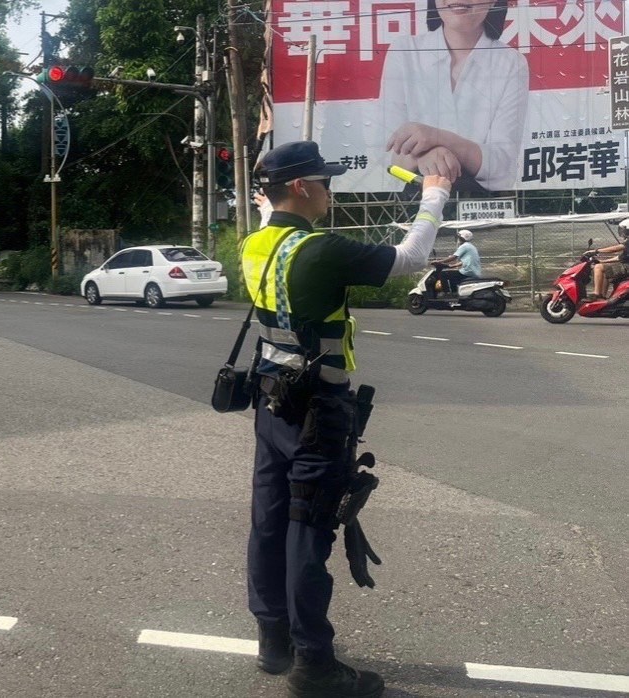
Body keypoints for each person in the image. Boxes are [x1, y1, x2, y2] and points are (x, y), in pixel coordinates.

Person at [242, 141, 450, 697]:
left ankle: (273, 641)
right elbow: (408, 261)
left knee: (269, 519)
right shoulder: (321, 250)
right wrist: (434, 197)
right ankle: (313, 664)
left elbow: (270, 210)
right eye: (326, 182)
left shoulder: (256, 244)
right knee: (308, 531)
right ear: (304, 188)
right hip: (319, 412)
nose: (332, 191)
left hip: (271, 404)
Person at [380, 0, 528, 193]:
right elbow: (388, 153)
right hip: (415, 203)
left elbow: (502, 167)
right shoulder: (405, 50)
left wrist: (436, 138)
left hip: (481, 207)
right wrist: (426, 156)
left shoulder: (511, 62)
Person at [425, 229, 480, 297]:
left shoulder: (465, 246)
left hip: (468, 271)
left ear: (462, 238)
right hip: (473, 271)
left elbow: (454, 257)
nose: (457, 239)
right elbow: (465, 261)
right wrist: (452, 266)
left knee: (443, 274)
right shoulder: (470, 246)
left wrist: (439, 261)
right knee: (453, 275)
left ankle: (446, 293)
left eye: (459, 237)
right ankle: (454, 293)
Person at [586, 220, 629, 300]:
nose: (622, 233)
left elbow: (616, 248)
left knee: (599, 268)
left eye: (624, 230)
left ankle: (597, 294)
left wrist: (596, 251)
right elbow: (620, 258)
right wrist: (602, 261)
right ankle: (602, 297)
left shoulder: (627, 242)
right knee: (605, 270)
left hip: (627, 267)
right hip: (626, 266)